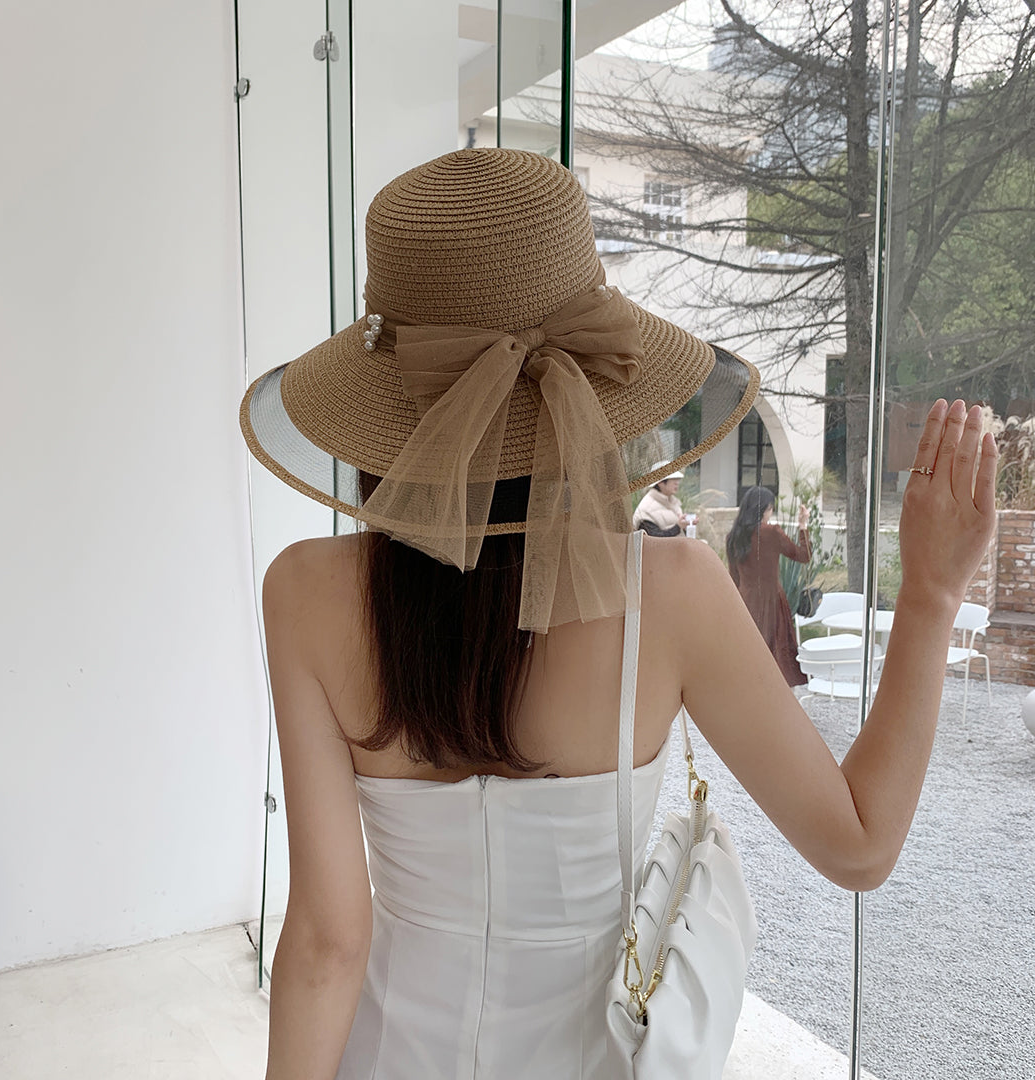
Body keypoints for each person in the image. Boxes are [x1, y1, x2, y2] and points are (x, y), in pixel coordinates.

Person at [239, 148, 997, 1080]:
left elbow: (326, 943)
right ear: (591, 400)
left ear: (386, 412)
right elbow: (860, 846)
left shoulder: (305, 593)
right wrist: (928, 595)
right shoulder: (671, 596)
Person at [726, 487, 812, 686]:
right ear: (766, 508)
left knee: (748, 655)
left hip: (746, 601)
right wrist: (803, 525)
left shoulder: (733, 536)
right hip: (772, 600)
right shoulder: (771, 532)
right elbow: (803, 556)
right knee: (777, 658)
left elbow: (734, 578)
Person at [632, 466, 690, 536]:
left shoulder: (673, 503)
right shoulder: (647, 508)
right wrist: (678, 527)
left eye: (677, 479)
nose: (677, 483)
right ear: (660, 482)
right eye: (673, 479)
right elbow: (653, 539)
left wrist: (688, 524)